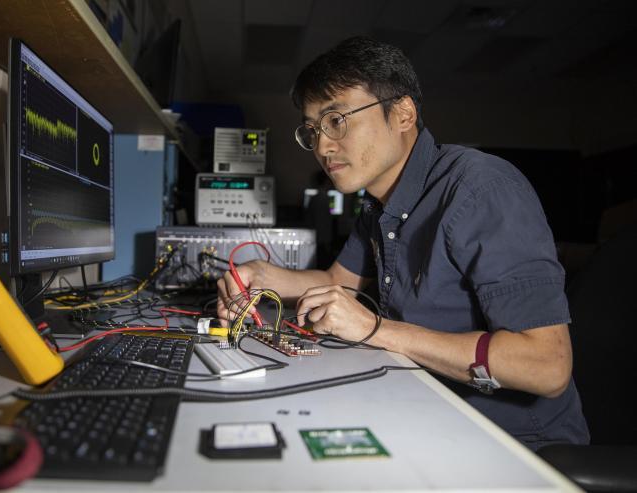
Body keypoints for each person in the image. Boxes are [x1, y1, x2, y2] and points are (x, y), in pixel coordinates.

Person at [216, 36, 589, 450]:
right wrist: (256, 274)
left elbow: (547, 366)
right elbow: (336, 280)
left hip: (513, 445)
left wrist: (374, 328)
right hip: (424, 414)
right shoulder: (378, 205)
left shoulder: (482, 190)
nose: (323, 145)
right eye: (313, 130)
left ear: (403, 113)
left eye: (337, 120)